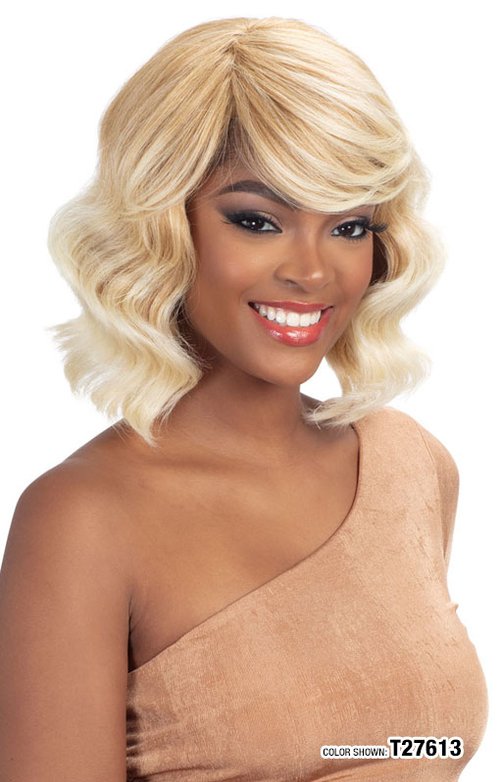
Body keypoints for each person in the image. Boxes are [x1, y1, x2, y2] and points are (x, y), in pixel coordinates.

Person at [0, 16, 488, 782]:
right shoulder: (84, 519)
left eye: (348, 226)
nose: (312, 271)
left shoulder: (410, 465)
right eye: (258, 220)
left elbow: (407, 744)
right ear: (165, 226)